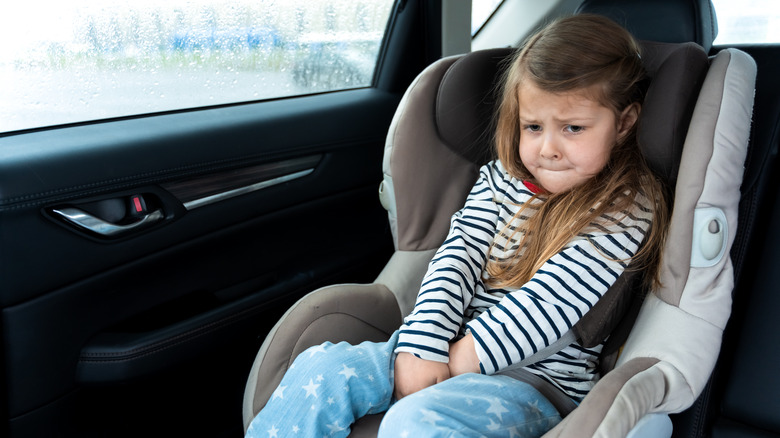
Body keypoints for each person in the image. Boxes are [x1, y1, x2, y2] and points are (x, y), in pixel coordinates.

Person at [245, 13, 669, 438]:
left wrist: (455, 362)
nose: (547, 149)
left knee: (413, 421)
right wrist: (422, 344)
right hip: (445, 346)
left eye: (572, 128)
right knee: (324, 366)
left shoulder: (626, 207)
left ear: (625, 123)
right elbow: (458, 256)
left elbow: (549, 304)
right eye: (533, 127)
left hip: (534, 386)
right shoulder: (501, 179)